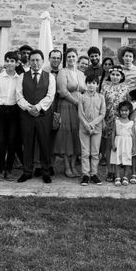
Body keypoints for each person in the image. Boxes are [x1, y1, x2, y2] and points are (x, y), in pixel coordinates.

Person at [16, 50, 56, 183]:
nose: (35, 62)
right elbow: (18, 96)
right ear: (29, 61)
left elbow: (50, 96)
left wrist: (38, 107)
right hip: (26, 116)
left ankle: (45, 171)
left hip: (43, 115)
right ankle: (27, 171)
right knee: (27, 143)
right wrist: (29, 108)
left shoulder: (49, 76)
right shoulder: (22, 76)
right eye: (32, 60)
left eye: (38, 60)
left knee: (44, 143)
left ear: (43, 61)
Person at [54, 48, 85, 177]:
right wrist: (76, 102)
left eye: (74, 56)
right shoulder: (62, 72)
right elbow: (62, 91)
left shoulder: (81, 74)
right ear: (66, 59)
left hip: (80, 107)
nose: (72, 59)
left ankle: (73, 165)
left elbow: (84, 90)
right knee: (67, 136)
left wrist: (83, 104)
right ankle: (67, 166)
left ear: (77, 57)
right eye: (69, 57)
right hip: (67, 106)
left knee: (77, 135)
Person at [0, 51, 21, 181]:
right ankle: (1, 169)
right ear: (4, 62)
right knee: (1, 140)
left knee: (12, 141)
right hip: (0, 111)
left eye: (12, 61)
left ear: (16, 63)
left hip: (14, 111)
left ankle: (9, 169)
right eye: (7, 60)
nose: (9, 63)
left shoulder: (20, 79)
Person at [101, 65, 128, 183]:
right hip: (108, 120)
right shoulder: (105, 87)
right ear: (109, 75)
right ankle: (109, 171)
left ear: (121, 76)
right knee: (108, 146)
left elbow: (128, 105)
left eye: (118, 75)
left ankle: (119, 172)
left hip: (121, 121)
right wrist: (102, 119)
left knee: (120, 145)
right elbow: (101, 104)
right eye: (113, 74)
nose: (115, 77)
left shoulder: (125, 88)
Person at [78, 74, 106, 186]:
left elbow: (102, 113)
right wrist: (87, 125)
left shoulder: (101, 97)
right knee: (85, 152)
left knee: (95, 153)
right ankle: (85, 175)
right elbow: (80, 113)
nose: (91, 85)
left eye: (94, 83)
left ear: (97, 85)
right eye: (89, 83)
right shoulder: (81, 97)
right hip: (84, 128)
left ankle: (94, 174)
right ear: (86, 84)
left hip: (97, 128)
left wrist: (93, 124)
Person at [111, 101, 135, 186]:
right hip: (118, 142)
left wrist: (134, 147)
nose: (124, 112)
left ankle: (125, 177)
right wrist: (113, 144)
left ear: (129, 111)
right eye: (122, 110)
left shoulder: (131, 123)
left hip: (128, 143)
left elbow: (133, 136)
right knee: (118, 160)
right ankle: (117, 177)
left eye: (126, 110)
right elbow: (113, 132)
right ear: (119, 111)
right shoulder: (117, 121)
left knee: (127, 160)